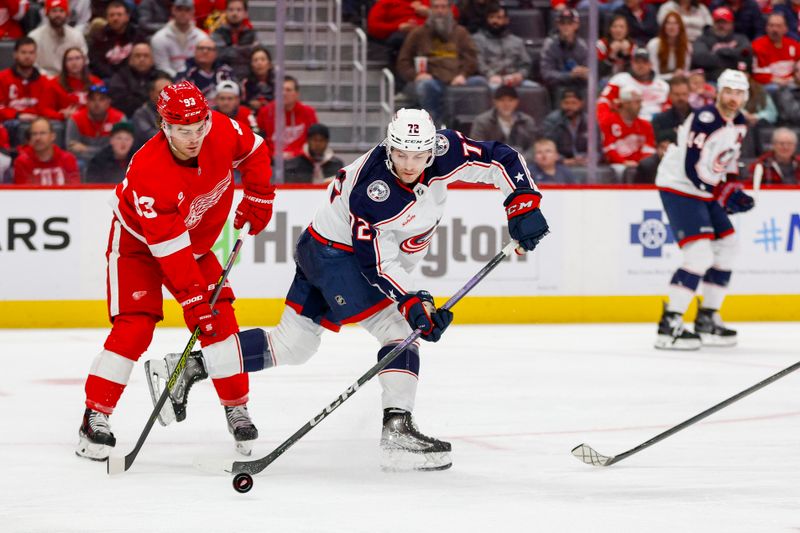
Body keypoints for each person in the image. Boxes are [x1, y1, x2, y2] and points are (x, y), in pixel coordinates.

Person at [145, 108, 549, 472]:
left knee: (292, 346)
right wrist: (412, 302)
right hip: (338, 257)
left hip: (318, 247)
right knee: (396, 331)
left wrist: (522, 202)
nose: (408, 165)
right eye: (400, 155)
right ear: (389, 147)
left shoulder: (444, 149)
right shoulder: (374, 192)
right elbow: (374, 263)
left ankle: (185, 368)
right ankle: (398, 430)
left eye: (418, 156)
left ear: (432, 150)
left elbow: (500, 157)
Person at [75, 81, 274, 461]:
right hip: (137, 247)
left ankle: (236, 406)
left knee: (220, 321)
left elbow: (255, 151)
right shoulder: (150, 171)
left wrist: (259, 193)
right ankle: (95, 417)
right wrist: (193, 297)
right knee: (135, 326)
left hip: (194, 246)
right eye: (184, 130)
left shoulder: (221, 128)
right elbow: (169, 251)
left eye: (200, 126)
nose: (195, 136)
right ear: (163, 126)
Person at [654, 69, 754, 350]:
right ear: (718, 92)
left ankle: (707, 317)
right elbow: (690, 165)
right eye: (729, 92)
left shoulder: (740, 122)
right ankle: (670, 324)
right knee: (698, 254)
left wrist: (733, 187)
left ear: (745, 96)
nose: (734, 98)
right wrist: (721, 191)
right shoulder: (705, 118)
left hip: (705, 187)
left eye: (739, 93)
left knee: (729, 245)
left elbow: (728, 160)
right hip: (680, 185)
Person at [396, 0, 482, 126]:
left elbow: (472, 58)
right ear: (430, 10)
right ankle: (433, 127)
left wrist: (463, 75)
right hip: (431, 80)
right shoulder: (418, 33)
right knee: (426, 85)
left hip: (457, 80)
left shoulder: (461, 32)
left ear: (449, 10)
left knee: (480, 83)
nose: (440, 11)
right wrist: (416, 75)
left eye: (443, 7)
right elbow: (403, 61)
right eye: (436, 7)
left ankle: (472, 130)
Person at [0, 37, 62, 146]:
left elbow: (46, 109)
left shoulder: (45, 81)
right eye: (23, 52)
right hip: (10, 123)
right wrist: (17, 115)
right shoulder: (2, 78)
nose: (27, 56)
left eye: (31, 53)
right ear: (15, 54)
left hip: (37, 124)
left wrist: (62, 115)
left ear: (36, 55)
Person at [598, 46, 670, 122]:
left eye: (644, 62)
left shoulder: (662, 85)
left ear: (650, 65)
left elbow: (669, 107)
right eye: (637, 62)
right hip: (628, 123)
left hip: (656, 124)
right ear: (632, 63)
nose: (640, 65)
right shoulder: (620, 80)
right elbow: (604, 101)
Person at [472, 3, 534, 91]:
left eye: (498, 17)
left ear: (506, 20)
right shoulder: (478, 39)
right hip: (490, 80)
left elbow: (526, 64)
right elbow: (479, 62)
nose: (495, 21)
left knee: (533, 88)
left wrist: (520, 75)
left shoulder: (517, 41)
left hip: (513, 80)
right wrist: (491, 75)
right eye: (491, 17)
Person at [256, 76, 319, 160]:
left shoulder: (309, 113)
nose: (283, 93)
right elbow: (258, 140)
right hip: (271, 160)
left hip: (301, 161)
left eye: (288, 90)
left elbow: (314, 141)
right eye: (280, 90)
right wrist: (272, 154)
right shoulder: (265, 112)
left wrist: (295, 154)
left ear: (297, 94)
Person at [599, 85, 656, 178]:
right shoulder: (608, 122)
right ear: (626, 103)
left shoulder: (646, 125)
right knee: (622, 171)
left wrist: (641, 164)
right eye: (637, 102)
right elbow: (608, 148)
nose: (641, 105)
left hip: (640, 167)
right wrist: (623, 162)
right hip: (616, 166)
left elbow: (649, 149)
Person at [65, 84, 125, 168]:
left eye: (101, 99)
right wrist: (103, 151)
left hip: (110, 160)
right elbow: (71, 148)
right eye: (92, 99)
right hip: (85, 161)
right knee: (78, 164)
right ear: (87, 102)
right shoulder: (75, 119)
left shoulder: (119, 119)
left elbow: (120, 148)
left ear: (108, 102)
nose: (97, 103)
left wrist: (86, 149)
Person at [469, 85, 537, 155]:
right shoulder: (481, 121)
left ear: (516, 102)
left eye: (510, 100)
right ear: (495, 102)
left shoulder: (527, 121)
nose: (506, 104)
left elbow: (533, 147)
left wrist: (521, 161)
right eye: (502, 100)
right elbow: (477, 148)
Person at [88, 0, 147, 80]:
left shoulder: (138, 35)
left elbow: (141, 59)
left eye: (119, 15)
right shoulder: (99, 36)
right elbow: (96, 63)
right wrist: (115, 77)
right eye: (112, 15)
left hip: (134, 77)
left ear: (127, 17)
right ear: (107, 18)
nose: (115, 18)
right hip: (108, 78)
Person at [28, 0, 88, 77]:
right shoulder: (34, 36)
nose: (58, 14)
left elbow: (84, 60)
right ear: (47, 14)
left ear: (67, 14)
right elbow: (32, 64)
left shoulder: (76, 35)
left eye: (61, 11)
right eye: (54, 11)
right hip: (45, 80)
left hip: (70, 78)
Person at [539, 8, 589, 99]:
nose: (566, 27)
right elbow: (546, 74)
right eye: (562, 23)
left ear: (576, 25)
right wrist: (570, 75)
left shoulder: (583, 46)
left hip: (578, 90)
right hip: (555, 90)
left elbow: (590, 73)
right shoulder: (549, 44)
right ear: (558, 25)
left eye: (570, 23)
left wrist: (585, 73)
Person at [13, 117, 80, 185]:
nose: (38, 138)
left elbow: (74, 190)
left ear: (52, 136)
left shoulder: (68, 159)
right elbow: (22, 193)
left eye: (42, 133)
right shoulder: (22, 162)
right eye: (34, 134)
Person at [692, 7, 751, 82]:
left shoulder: (741, 39)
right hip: (711, 80)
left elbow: (746, 56)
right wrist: (732, 58)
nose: (721, 26)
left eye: (725, 22)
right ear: (713, 23)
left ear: (732, 23)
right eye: (718, 22)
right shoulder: (703, 39)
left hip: (736, 80)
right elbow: (700, 59)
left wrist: (720, 51)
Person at [150, 0, 207, 78]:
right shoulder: (159, 38)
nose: (183, 13)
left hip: (196, 81)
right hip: (169, 81)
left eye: (187, 10)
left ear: (193, 12)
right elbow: (162, 67)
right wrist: (180, 78)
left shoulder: (202, 38)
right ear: (173, 10)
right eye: (179, 9)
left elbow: (204, 66)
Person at [108, 43, 166, 118]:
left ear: (152, 60)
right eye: (137, 56)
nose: (142, 59)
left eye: (146, 56)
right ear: (130, 60)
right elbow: (119, 102)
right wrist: (148, 100)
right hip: (129, 117)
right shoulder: (121, 76)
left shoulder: (161, 76)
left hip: (158, 116)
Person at [46, 47, 103, 121]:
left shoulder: (96, 82)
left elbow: (103, 106)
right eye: (69, 59)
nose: (74, 62)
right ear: (64, 64)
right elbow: (45, 109)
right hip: (65, 122)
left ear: (84, 61)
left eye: (77, 58)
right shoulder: (53, 83)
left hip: (91, 120)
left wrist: (79, 114)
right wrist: (62, 115)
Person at [751, 13, 800, 89]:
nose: (775, 29)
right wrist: (779, 81)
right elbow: (757, 74)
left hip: (792, 83)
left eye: (778, 26)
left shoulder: (794, 45)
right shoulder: (757, 46)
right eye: (771, 25)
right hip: (770, 86)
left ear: (786, 28)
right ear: (766, 28)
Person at [211, 0, 257, 80]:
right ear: (225, 12)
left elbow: (256, 53)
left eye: (239, 10)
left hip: (248, 78)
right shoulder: (218, 33)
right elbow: (220, 54)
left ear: (245, 13)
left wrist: (230, 50)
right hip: (222, 77)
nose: (234, 13)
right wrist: (246, 50)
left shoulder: (251, 34)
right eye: (231, 10)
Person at [540, 88, 588, 166]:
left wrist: (588, 158)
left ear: (581, 103)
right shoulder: (552, 121)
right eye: (566, 103)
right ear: (561, 104)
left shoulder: (589, 122)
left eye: (574, 103)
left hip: (586, 163)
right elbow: (546, 146)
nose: (569, 106)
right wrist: (563, 160)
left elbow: (598, 150)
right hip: (559, 164)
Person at [646, 11, 692, 81]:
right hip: (657, 83)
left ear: (680, 27)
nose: (672, 27)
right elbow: (653, 75)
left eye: (675, 23)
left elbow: (685, 72)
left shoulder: (687, 47)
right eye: (668, 23)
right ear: (664, 27)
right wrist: (672, 76)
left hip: (678, 83)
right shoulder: (654, 44)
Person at [131, 73, 172, 149]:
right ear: (151, 94)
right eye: (161, 92)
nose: (166, 96)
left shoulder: (179, 111)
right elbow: (152, 137)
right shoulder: (141, 114)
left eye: (169, 92)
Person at [652, 75, 692, 139]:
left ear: (689, 94)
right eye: (677, 94)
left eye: (684, 94)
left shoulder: (697, 116)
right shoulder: (660, 119)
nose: (681, 98)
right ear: (669, 95)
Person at [597, 14, 634, 78]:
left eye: (622, 27)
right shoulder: (601, 45)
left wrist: (627, 56)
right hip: (606, 80)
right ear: (609, 29)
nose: (618, 30)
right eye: (614, 26)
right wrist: (611, 56)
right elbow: (598, 73)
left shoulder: (633, 46)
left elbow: (636, 73)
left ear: (627, 30)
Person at [242, 46, 275, 112]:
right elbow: (242, 104)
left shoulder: (277, 83)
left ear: (269, 64)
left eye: (263, 59)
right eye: (255, 60)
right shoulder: (246, 83)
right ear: (251, 65)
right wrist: (250, 104)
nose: (259, 63)